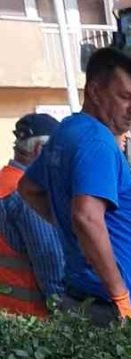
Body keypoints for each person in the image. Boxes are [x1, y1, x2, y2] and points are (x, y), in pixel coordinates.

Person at [18, 47, 131, 323]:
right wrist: (121, 297)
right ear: (95, 91)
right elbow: (86, 216)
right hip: (116, 307)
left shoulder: (68, 130)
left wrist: (74, 232)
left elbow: (29, 188)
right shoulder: (97, 142)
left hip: (89, 295)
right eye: (124, 97)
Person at [0, 113, 64, 317]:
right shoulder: (26, 196)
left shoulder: (4, 184)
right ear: (40, 150)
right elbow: (51, 265)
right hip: (31, 321)